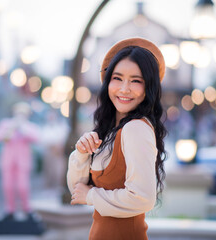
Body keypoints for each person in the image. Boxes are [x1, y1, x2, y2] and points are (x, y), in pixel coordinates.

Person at [67, 37, 167, 240]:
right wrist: (82, 154)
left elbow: (143, 198)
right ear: (108, 81)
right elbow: (76, 190)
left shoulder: (135, 128)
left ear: (149, 87)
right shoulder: (111, 131)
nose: (124, 89)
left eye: (136, 81)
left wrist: (92, 195)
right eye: (118, 78)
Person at [0, 102, 39, 220]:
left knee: (23, 186)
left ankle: (26, 208)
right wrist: (10, 129)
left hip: (22, 162)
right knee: (8, 185)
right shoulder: (6, 123)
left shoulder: (29, 126)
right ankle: (9, 209)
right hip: (8, 161)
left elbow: (37, 138)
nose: (20, 115)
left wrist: (22, 128)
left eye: (23, 113)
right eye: (18, 113)